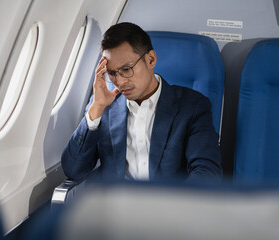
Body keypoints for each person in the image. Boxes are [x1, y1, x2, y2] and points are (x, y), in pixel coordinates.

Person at [61, 22, 222, 182]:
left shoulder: (191, 106)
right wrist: (96, 109)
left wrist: (174, 206)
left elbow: (206, 172)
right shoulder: (103, 106)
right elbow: (74, 170)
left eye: (126, 69)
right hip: (116, 204)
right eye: (112, 73)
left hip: (169, 204)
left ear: (151, 60)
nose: (120, 81)